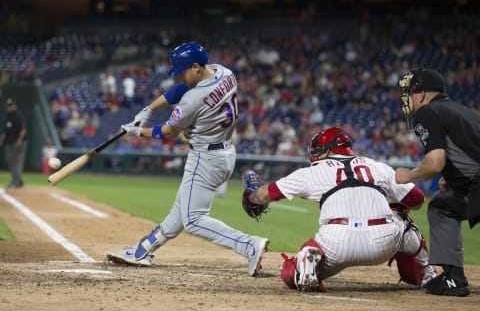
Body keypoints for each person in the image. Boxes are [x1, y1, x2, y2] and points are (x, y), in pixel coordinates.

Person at [107, 42, 269, 276]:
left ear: (195, 67)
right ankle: (143, 250)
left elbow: (168, 133)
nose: (180, 77)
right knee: (181, 210)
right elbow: (181, 89)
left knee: (193, 219)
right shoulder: (225, 72)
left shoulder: (193, 100)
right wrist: (149, 109)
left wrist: (137, 132)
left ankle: (248, 245)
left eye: (182, 71)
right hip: (224, 153)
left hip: (205, 158)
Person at [242, 127, 436, 291]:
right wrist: (399, 208)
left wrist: (251, 197)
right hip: (383, 241)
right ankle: (427, 275)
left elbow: (268, 194)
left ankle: (305, 263)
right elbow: (417, 199)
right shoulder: (376, 166)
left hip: (336, 242)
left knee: (289, 272)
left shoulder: (312, 171)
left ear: (327, 150)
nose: (315, 154)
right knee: (402, 220)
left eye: (318, 150)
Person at [395, 68, 480, 296]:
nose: (407, 99)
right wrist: (454, 179)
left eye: (410, 93)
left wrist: (409, 176)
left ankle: (454, 278)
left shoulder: (428, 112)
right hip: (473, 185)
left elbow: (434, 163)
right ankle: (453, 279)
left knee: (441, 207)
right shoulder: (465, 111)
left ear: (421, 94)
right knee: (444, 203)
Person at [0, 99, 28, 189]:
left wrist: (20, 139)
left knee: (17, 162)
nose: (9, 107)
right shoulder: (7, 116)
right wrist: (2, 139)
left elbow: (24, 128)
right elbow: (5, 130)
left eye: (11, 105)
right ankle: (18, 181)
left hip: (18, 143)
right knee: (11, 161)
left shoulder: (17, 115)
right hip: (9, 142)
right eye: (8, 106)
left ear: (14, 106)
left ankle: (16, 182)